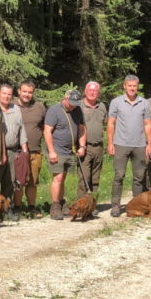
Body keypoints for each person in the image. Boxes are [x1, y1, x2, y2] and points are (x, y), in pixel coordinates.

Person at [106, 75, 151, 217]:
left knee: (139, 177)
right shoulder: (116, 102)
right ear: (124, 86)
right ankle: (115, 206)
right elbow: (111, 123)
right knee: (119, 176)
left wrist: (149, 144)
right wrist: (110, 143)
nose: (132, 88)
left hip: (139, 145)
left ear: (137, 87)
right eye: (129, 85)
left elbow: (148, 124)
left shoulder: (144, 103)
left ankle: (136, 205)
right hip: (120, 144)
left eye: (134, 86)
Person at [43, 89, 87, 220]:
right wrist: (51, 151)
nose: (73, 105)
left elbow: (82, 128)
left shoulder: (77, 110)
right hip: (57, 150)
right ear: (65, 99)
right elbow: (47, 131)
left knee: (63, 179)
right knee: (58, 178)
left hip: (70, 150)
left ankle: (62, 203)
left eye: (76, 103)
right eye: (71, 102)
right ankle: (55, 207)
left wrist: (82, 146)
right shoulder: (54, 110)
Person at [15, 81, 47, 217]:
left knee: (33, 181)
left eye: (30, 92)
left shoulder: (39, 107)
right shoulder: (11, 105)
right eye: (24, 91)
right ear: (19, 91)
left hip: (35, 150)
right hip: (17, 151)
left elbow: (45, 126)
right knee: (18, 181)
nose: (27, 94)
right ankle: (16, 208)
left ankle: (32, 207)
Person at [0, 84, 27, 220]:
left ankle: (7, 209)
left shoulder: (16, 109)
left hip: (13, 151)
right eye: (4, 93)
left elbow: (21, 129)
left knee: (10, 182)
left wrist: (24, 151)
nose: (7, 96)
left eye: (9, 94)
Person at [76, 81, 107, 203]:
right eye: (90, 90)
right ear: (85, 91)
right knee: (84, 178)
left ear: (98, 93)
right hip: (85, 147)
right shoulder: (78, 106)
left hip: (99, 147)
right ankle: (81, 205)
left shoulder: (102, 106)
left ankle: (92, 204)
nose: (92, 92)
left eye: (95, 90)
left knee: (95, 179)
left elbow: (105, 123)